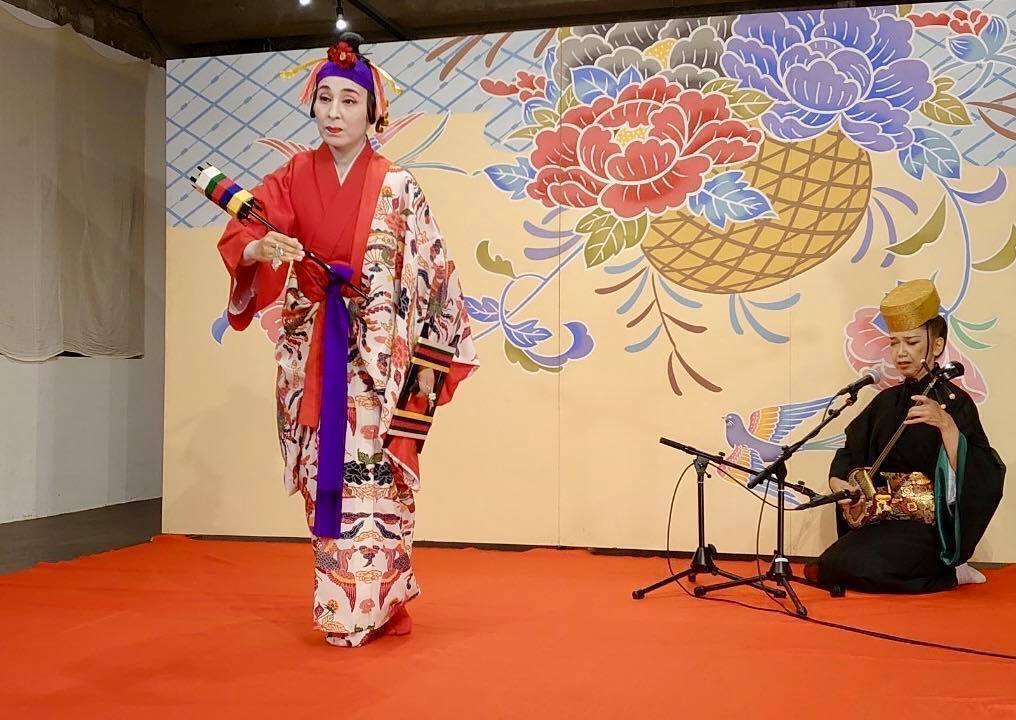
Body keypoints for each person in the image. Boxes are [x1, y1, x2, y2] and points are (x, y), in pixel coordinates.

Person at [216, 33, 477, 646]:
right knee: (325, 475)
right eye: (325, 99)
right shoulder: (292, 176)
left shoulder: (398, 185)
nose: (334, 112)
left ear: (372, 112)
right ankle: (343, 607)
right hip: (316, 351)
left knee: (377, 481)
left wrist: (411, 340)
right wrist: (258, 248)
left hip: (378, 361)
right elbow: (246, 232)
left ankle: (382, 602)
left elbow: (434, 274)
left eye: (349, 101)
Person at [810, 279, 1004, 593]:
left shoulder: (955, 403)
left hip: (928, 526)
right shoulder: (885, 402)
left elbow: (984, 471)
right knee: (830, 566)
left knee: (868, 568)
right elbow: (850, 450)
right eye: (894, 343)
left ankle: (953, 571)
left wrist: (947, 426)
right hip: (884, 519)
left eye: (911, 342)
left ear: (936, 346)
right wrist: (838, 482)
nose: (901, 353)